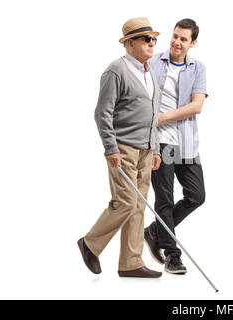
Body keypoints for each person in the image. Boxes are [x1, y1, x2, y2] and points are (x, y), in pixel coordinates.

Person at [77, 17, 163, 278]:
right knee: (125, 202)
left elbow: (153, 113)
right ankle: (90, 243)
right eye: (145, 38)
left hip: (146, 151)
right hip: (123, 148)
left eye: (153, 39)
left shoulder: (149, 73)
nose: (151, 43)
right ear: (129, 43)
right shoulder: (116, 70)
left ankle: (131, 262)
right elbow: (102, 113)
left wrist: (156, 148)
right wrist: (110, 148)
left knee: (139, 205)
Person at [145, 18, 208, 274]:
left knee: (196, 196)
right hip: (161, 142)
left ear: (192, 43)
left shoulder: (198, 68)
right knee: (165, 198)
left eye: (184, 39)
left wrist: (162, 117)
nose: (177, 42)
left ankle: (154, 232)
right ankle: (172, 254)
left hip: (185, 142)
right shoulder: (152, 63)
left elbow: (197, 106)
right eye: (175, 36)